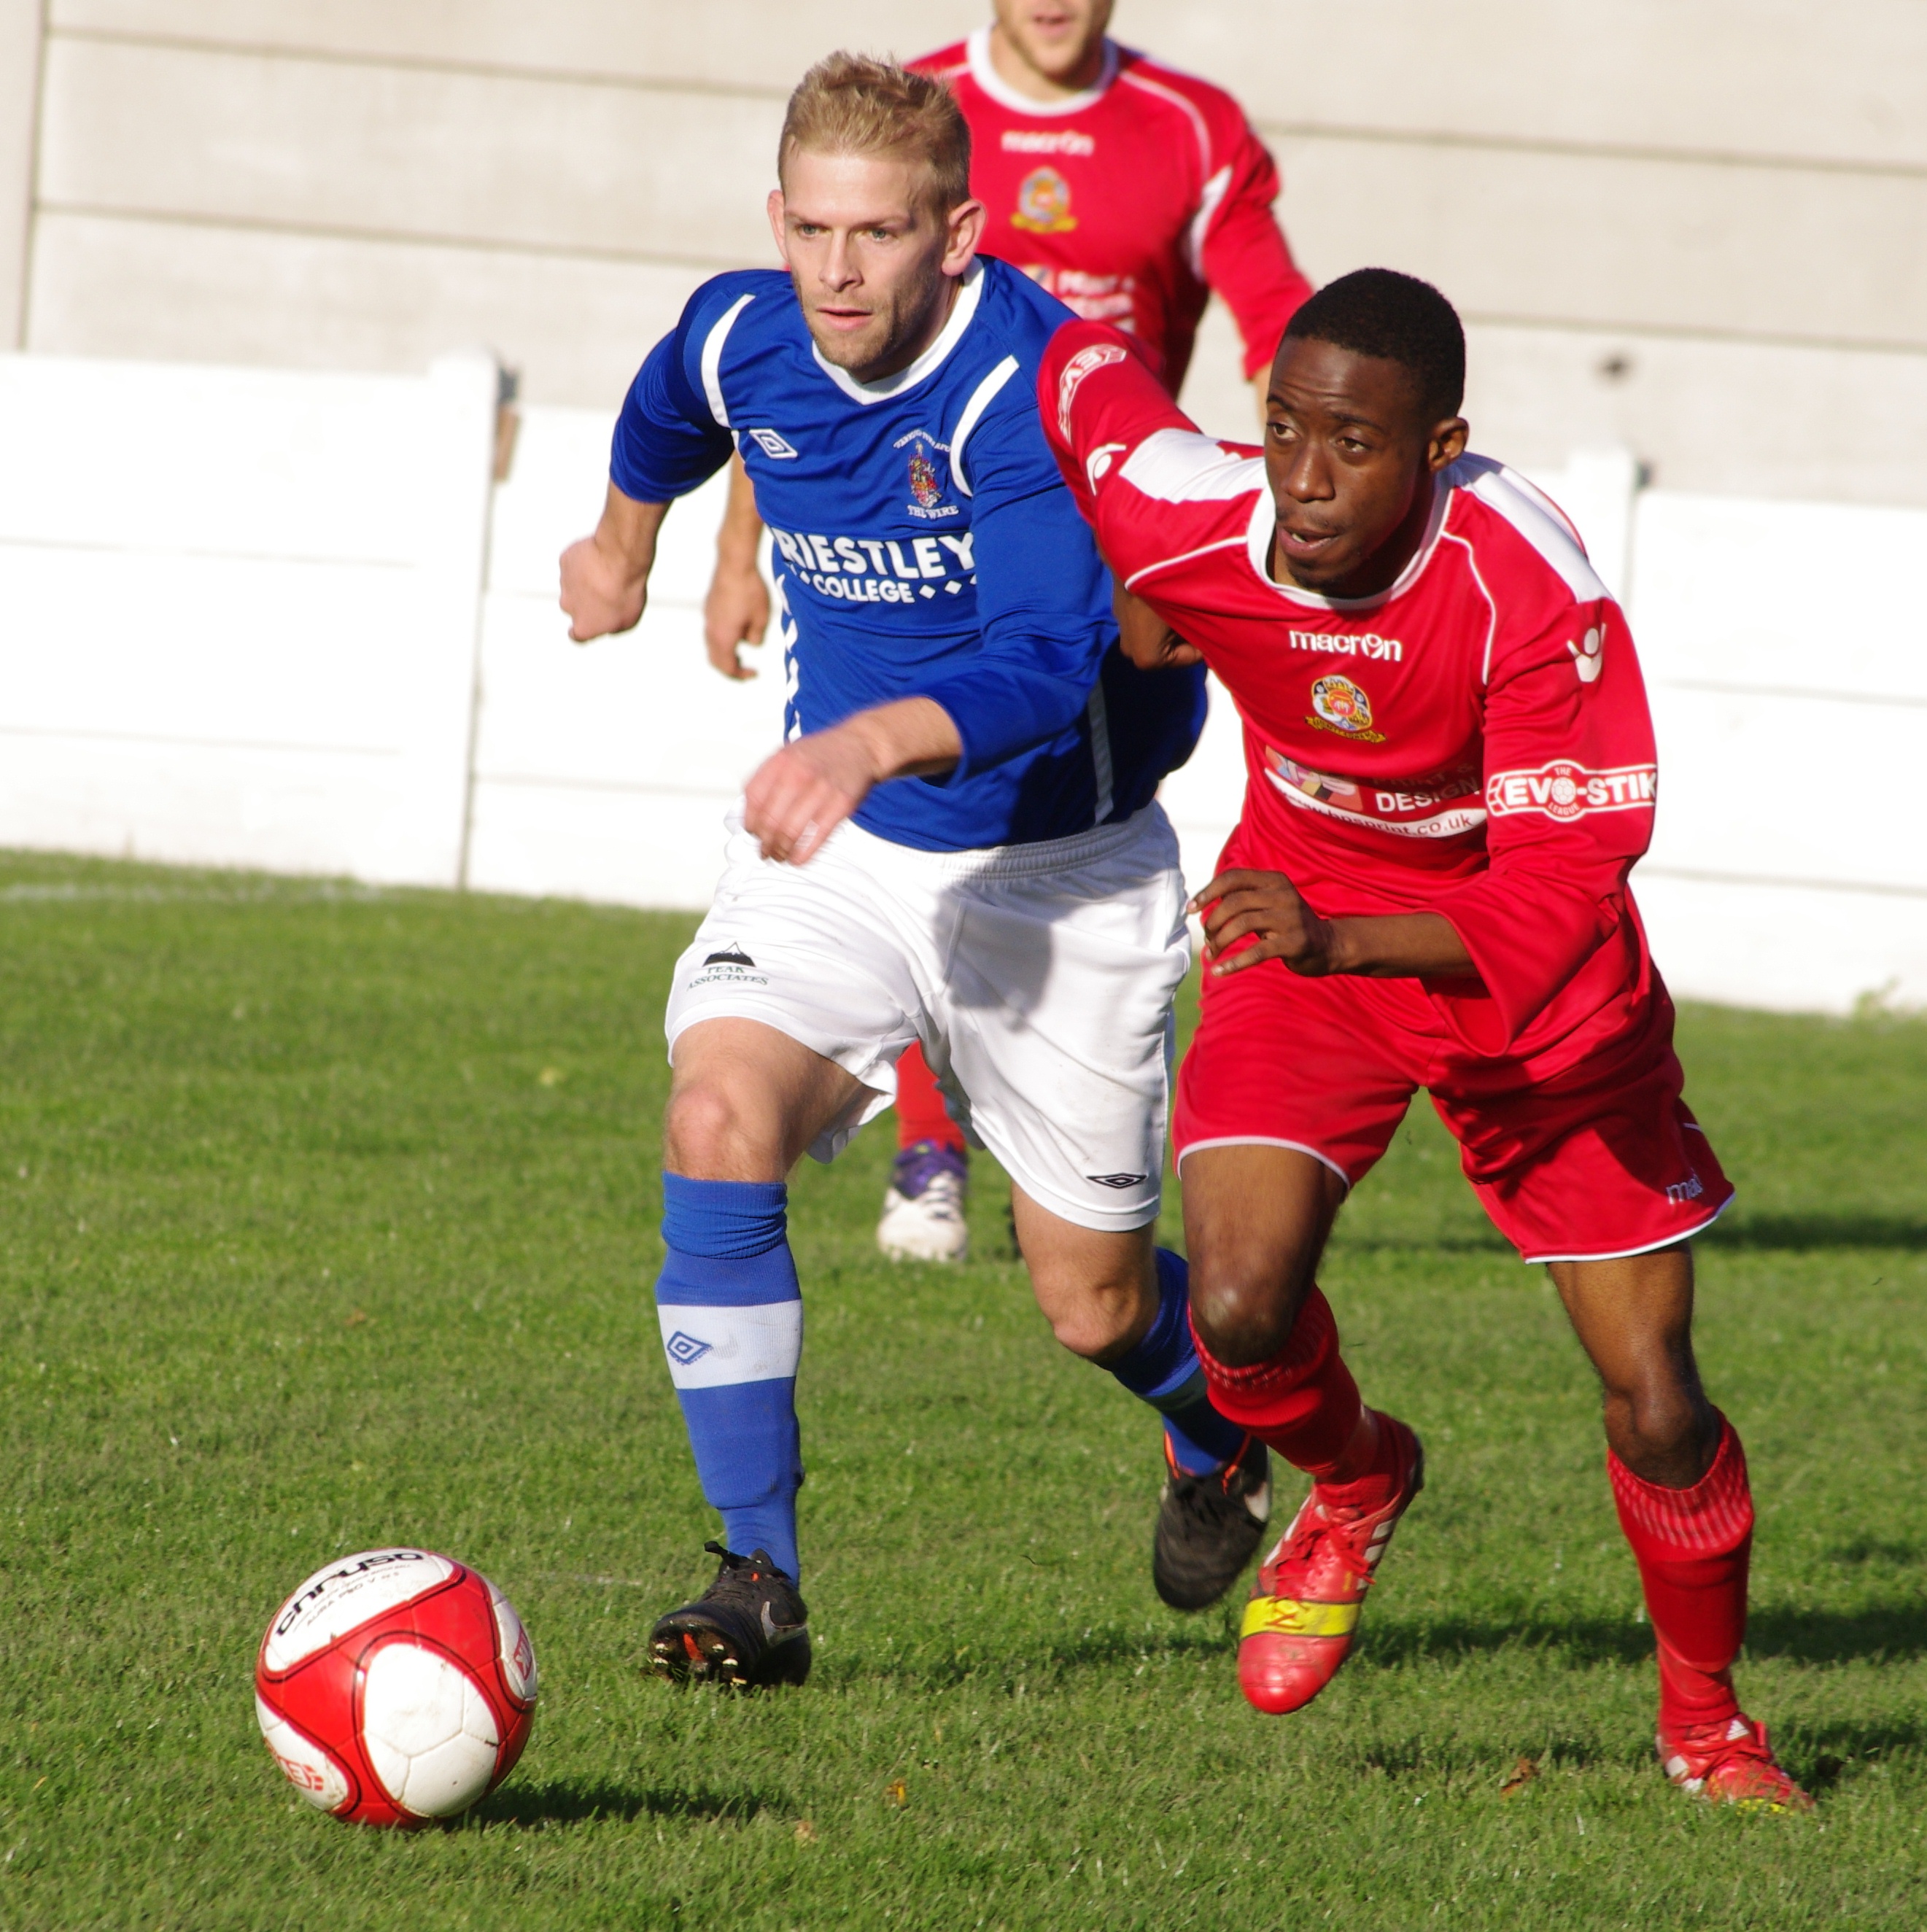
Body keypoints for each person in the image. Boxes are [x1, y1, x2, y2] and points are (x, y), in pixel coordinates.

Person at [1039, 269, 1812, 1810]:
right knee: (1242, 1308)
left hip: (1525, 987)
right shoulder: (1190, 507)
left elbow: (1562, 896)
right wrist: (1125, 583)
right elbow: (1061, 372)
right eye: (1280, 430)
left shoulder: (1529, 588)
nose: (1305, 477)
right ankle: (1358, 1470)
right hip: (1300, 942)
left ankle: (1708, 1725)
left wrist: (1346, 934)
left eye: (1352, 443)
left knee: (1653, 1392)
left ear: (1441, 445)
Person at [558, 54, 1256, 1688]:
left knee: (1088, 1300)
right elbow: (670, 397)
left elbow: (1037, 656)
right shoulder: (751, 330)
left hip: (1057, 877)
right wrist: (626, 543)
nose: (836, 272)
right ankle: (758, 1580)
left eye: (876, 234)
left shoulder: (1040, 385)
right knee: (713, 1116)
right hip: (849, 857)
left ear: (960, 231)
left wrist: (861, 739)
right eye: (809, 229)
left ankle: (1219, 1433)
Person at [703, 0, 1314, 1270]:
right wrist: (731, 552)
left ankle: (1074, 1189)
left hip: (1098, 526)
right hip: (930, 512)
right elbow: (817, 377)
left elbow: (1274, 328)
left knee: (1037, 771)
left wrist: (1244, 532)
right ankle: (929, 1144)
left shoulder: (1190, 130)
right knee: (907, 821)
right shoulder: (906, 109)